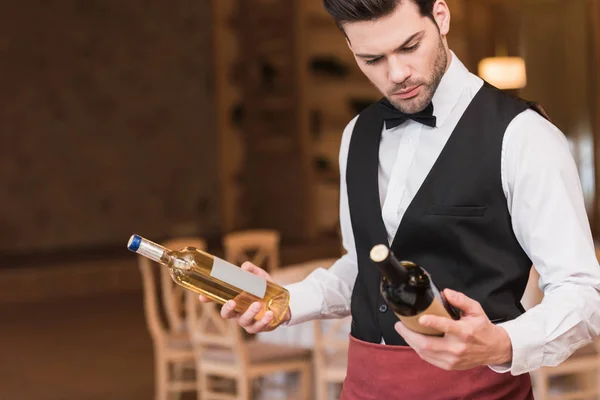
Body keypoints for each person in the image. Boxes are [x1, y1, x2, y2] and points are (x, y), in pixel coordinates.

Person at [201, 0, 600, 398]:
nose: (396, 74)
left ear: (440, 17)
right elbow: (364, 266)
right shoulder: (356, 135)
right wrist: (286, 301)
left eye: (410, 47)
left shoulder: (523, 136)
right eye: (372, 59)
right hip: (363, 385)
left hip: (478, 390)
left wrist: (504, 342)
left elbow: (582, 290)